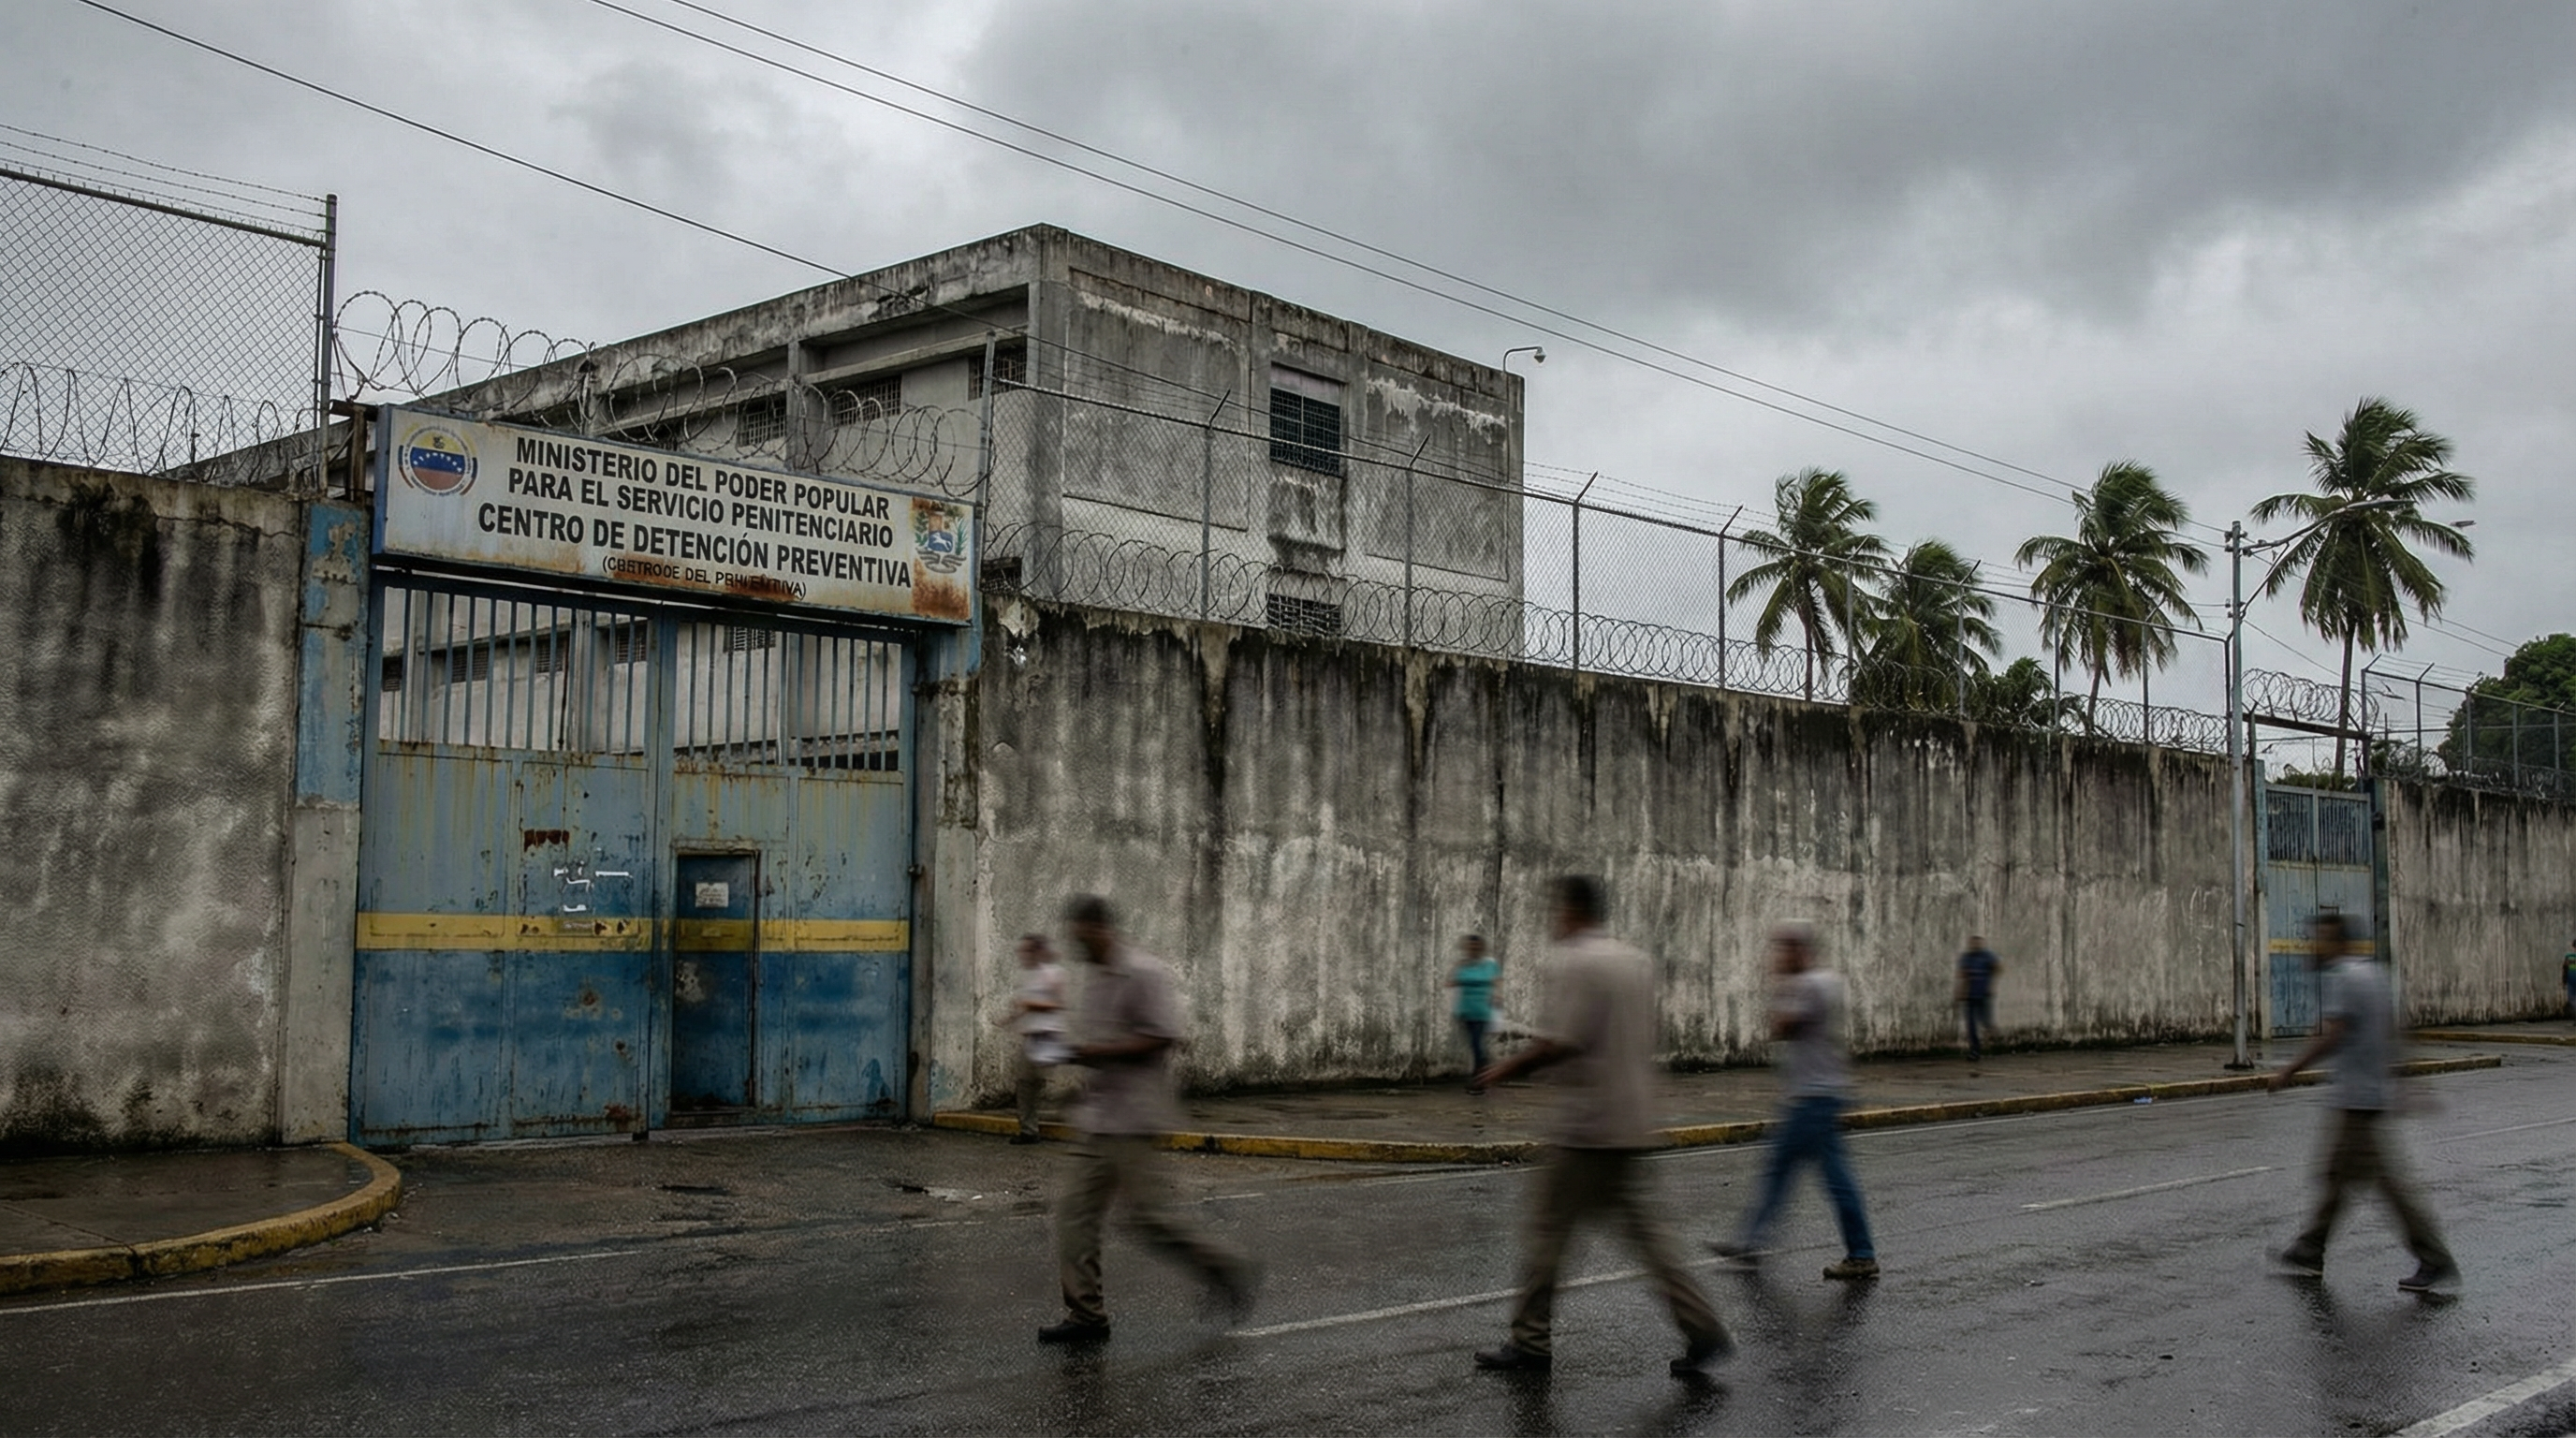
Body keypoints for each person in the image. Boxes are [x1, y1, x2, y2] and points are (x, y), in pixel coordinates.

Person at [1471, 875, 1731, 1379]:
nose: (1554, 921)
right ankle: (1704, 1329)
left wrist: (1504, 1068)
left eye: (1557, 911)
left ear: (1572, 911)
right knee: (1652, 1240)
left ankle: (1530, 1341)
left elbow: (1561, 1042)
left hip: (1584, 1126)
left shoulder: (1577, 962)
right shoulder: (1634, 961)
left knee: (1547, 1234)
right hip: (1631, 1121)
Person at [1039, 894, 1258, 1343]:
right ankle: (1086, 1316)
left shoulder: (1144, 972)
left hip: (1134, 1117)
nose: (1076, 945)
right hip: (1098, 1116)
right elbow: (1101, 1043)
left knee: (1147, 1219)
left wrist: (1090, 1053)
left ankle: (1227, 1268)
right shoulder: (1095, 979)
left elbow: (1161, 1037)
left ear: (1101, 929)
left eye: (1081, 936)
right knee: (1074, 1215)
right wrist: (1081, 1083)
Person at [2270, 911, 2457, 1292]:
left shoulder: (2347, 978)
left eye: (2320, 939)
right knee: (2336, 1176)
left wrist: (2290, 1069)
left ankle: (2435, 1259)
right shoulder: (2373, 975)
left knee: (2385, 1184)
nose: (2313, 946)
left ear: (2339, 943)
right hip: (2365, 1095)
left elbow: (2334, 1035)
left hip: (2358, 1100)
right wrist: (2402, 1079)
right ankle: (2309, 1248)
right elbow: (2389, 1031)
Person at [1710, 921, 1880, 1282]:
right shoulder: (1828, 982)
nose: (1779, 957)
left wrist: (1779, 984)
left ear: (1801, 951)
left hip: (1812, 1099)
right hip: (1824, 1093)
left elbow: (1780, 1028)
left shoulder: (1807, 985)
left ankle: (1754, 1244)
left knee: (1786, 1172)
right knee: (1815, 1176)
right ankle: (1856, 1252)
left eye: (1785, 950)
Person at [1007, 934, 1069, 1143]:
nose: (1022, 955)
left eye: (1027, 950)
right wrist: (1010, 1018)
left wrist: (1030, 1005)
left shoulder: (1053, 973)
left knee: (1031, 1084)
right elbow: (1024, 1006)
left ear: (1037, 951)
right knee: (1027, 1084)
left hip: (1048, 1037)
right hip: (1033, 1038)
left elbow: (1059, 1003)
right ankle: (1029, 1130)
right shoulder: (1029, 976)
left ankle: (1030, 1130)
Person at [1448, 934, 1501, 1093]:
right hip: (1465, 1009)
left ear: (1481, 948)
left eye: (1476, 947)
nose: (1472, 949)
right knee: (1474, 1044)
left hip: (1482, 1010)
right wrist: (1457, 969)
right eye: (1470, 947)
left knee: (1477, 1044)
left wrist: (1498, 995)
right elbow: (1450, 982)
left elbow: (1497, 982)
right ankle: (1481, 1076)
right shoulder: (1463, 965)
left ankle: (1480, 1080)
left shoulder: (1489, 964)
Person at [1955, 936, 2001, 1064]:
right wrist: (1961, 992)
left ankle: (1991, 1033)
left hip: (1984, 995)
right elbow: (1963, 975)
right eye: (1973, 943)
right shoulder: (1967, 958)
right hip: (1970, 996)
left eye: (1977, 943)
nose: (1975, 945)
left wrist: (1992, 985)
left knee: (1985, 1021)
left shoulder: (1987, 956)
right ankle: (1975, 1050)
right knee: (1971, 1025)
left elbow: (1998, 967)